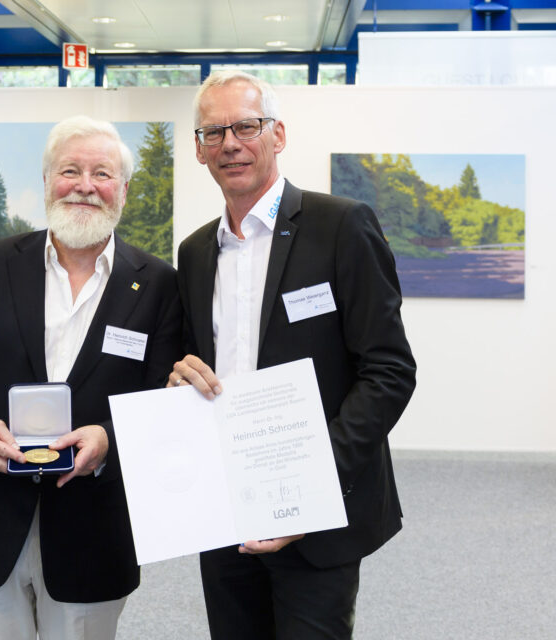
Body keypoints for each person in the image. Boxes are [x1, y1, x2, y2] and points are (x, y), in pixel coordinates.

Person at [171, 70, 416, 639]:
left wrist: (307, 485)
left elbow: (389, 371)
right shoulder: (196, 252)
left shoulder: (341, 226)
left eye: (246, 126)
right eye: (213, 132)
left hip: (318, 514)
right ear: (200, 150)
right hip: (227, 509)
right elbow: (194, 365)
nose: (230, 142)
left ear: (277, 135)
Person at [0, 115, 182, 640]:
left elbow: (164, 397)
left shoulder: (158, 284)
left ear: (124, 191)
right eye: (70, 170)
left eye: (103, 174)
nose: (85, 185)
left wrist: (108, 438)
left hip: (94, 526)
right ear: (46, 181)